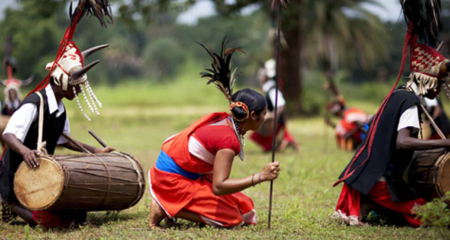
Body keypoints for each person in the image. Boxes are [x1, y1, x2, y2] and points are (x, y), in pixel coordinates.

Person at [332, 5, 450, 227]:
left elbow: (374, 124)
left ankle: (366, 207)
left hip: (369, 175)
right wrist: (446, 142)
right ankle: (371, 205)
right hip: (381, 181)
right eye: (439, 84)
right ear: (428, 80)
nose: (439, 90)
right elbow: (402, 141)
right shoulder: (410, 102)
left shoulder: (398, 94)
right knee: (432, 218)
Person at [0, 0, 114, 228]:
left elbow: (63, 139)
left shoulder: (59, 107)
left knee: (77, 215)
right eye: (76, 84)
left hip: (39, 177)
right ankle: (10, 203)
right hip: (17, 178)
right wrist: (25, 150)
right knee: (53, 223)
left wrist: (95, 151)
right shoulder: (34, 103)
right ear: (60, 81)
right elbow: (8, 135)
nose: (79, 89)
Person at [148, 41, 281, 228]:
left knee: (245, 207)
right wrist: (261, 176)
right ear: (252, 115)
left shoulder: (227, 121)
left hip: (188, 171)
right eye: (264, 113)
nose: (266, 117)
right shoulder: (229, 139)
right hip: (171, 178)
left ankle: (176, 204)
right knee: (231, 219)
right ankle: (164, 207)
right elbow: (219, 187)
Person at [249, 59, 299, 152]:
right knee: (267, 142)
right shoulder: (269, 88)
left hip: (276, 121)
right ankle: (286, 142)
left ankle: (285, 142)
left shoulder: (272, 89)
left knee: (266, 145)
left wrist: (273, 118)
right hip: (276, 120)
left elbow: (280, 105)